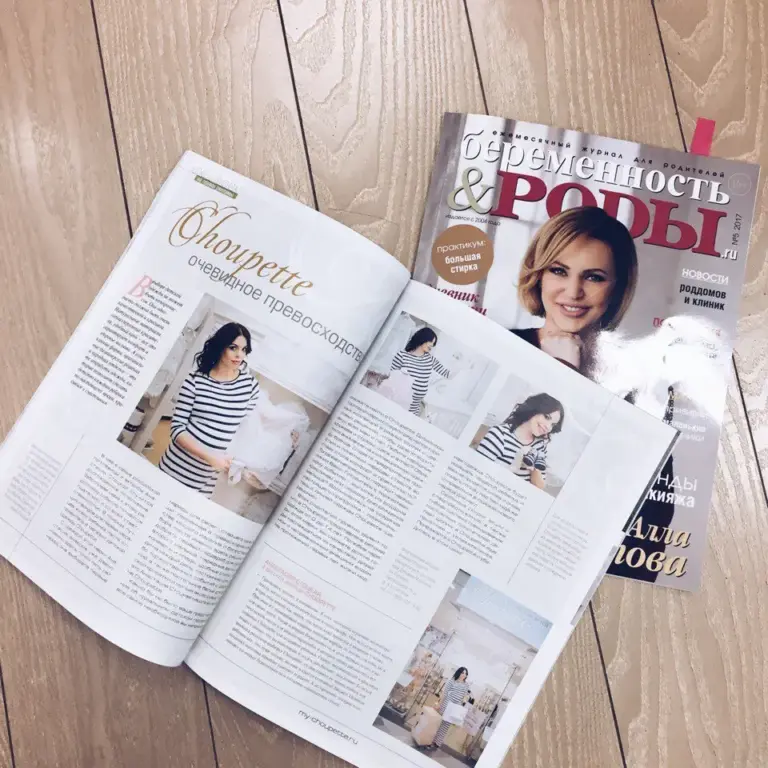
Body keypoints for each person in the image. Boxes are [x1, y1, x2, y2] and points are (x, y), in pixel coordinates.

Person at [513, 206, 638, 374]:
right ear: (538, 276)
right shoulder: (500, 345)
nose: (573, 293)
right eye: (559, 271)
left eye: (594, 277)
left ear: (617, 288)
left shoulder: (629, 374)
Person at [159, 322, 260, 496]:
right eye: (233, 348)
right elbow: (177, 429)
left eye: (244, 349)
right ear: (221, 347)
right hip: (176, 468)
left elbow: (245, 425)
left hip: (206, 479)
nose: (239, 355)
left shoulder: (250, 385)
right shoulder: (194, 381)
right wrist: (210, 457)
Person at [475, 393, 564, 489]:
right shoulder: (499, 435)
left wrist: (534, 469)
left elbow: (539, 487)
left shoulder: (539, 445)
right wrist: (517, 461)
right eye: (547, 417)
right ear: (534, 410)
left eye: (553, 425)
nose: (548, 427)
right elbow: (477, 476)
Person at [390, 327, 451, 416]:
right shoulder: (402, 356)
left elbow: (447, 373)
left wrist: (463, 369)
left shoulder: (430, 359)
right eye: (431, 342)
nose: (432, 345)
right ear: (423, 338)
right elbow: (391, 380)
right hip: (396, 407)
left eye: (434, 343)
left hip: (414, 412)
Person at [423, 667, 471, 752]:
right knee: (438, 723)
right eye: (463, 673)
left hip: (455, 707)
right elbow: (444, 693)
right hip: (446, 704)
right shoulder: (452, 681)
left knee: (445, 726)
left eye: (466, 673)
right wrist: (439, 703)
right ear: (459, 672)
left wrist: (461, 707)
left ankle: (437, 743)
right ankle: (430, 741)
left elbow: (463, 697)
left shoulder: (466, 685)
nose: (464, 675)